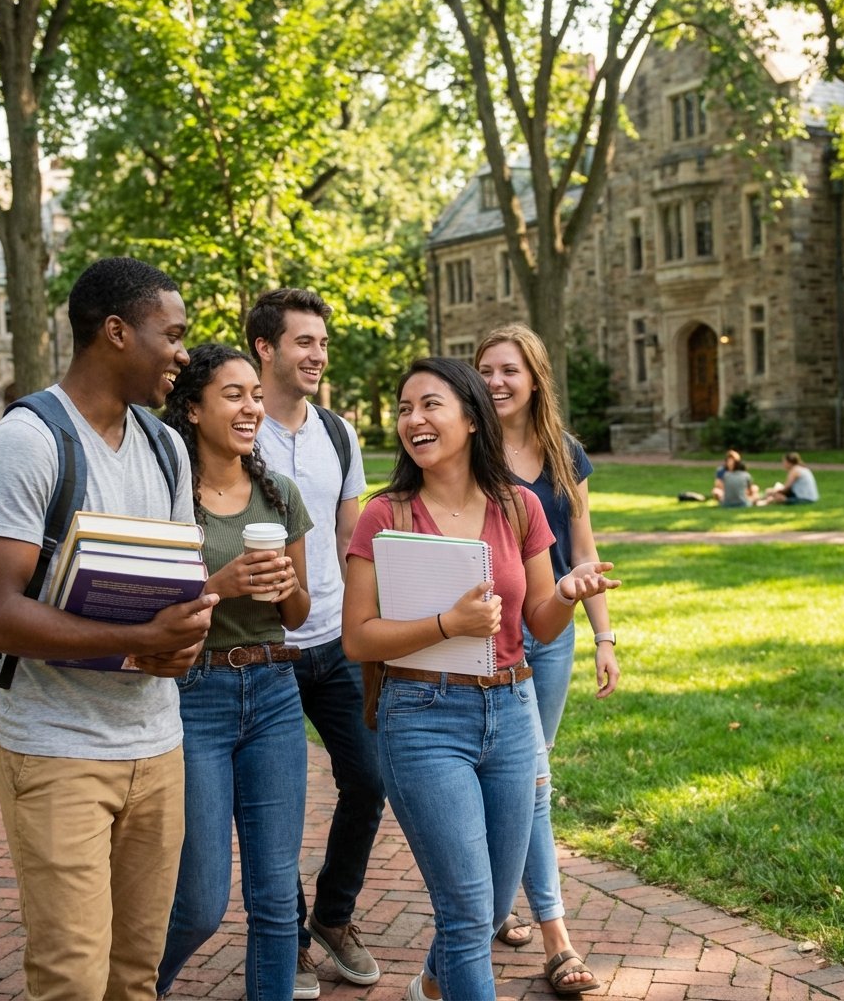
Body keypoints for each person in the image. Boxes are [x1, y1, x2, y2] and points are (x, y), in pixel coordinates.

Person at [0, 256, 218, 1001]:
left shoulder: (168, 447)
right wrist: (137, 640)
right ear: (115, 332)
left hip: (156, 748)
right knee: (72, 978)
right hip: (56, 750)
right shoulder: (28, 441)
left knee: (134, 976)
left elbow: (174, 581)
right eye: (171, 335)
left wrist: (184, 635)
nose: (183, 353)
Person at [342, 357, 620, 1001]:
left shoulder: (520, 507)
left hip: (513, 709)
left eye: (430, 405)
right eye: (405, 408)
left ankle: (433, 986)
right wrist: (447, 623)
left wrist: (572, 593)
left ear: (470, 418)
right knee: (467, 915)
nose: (414, 419)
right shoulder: (384, 515)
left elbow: (542, 626)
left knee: (491, 909)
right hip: (422, 717)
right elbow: (359, 638)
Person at [157, 344, 313, 1001]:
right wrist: (220, 582)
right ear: (193, 408)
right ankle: (130, 988)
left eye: (255, 394)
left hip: (275, 693)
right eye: (233, 394)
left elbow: (300, 613)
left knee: (277, 898)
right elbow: (152, 613)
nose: (251, 406)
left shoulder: (281, 494)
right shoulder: (166, 498)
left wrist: (281, 588)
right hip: (196, 696)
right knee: (199, 898)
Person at [245, 287, 385, 999]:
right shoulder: (233, 427)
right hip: (264, 650)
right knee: (278, 804)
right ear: (265, 348)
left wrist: (365, 628)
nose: (318, 355)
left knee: (369, 778)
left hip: (333, 640)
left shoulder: (339, 431)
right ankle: (287, 937)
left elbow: (351, 536)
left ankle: (333, 915)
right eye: (304, 342)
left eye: (322, 344)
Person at [475, 325, 618, 996]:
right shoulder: (469, 450)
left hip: (552, 632)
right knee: (528, 779)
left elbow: (582, 542)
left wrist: (604, 637)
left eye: (509, 370)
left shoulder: (565, 453)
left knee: (529, 778)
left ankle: (500, 899)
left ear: (534, 377)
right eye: (486, 371)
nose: (498, 382)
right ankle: (558, 938)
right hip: (493, 632)